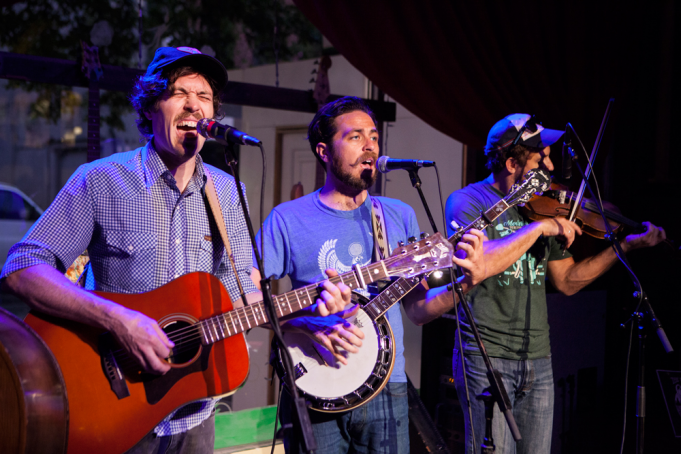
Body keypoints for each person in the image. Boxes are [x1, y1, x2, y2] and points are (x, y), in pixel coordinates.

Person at [0, 46, 349, 454]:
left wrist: (301, 315)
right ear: (150, 106)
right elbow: (23, 266)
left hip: (194, 416)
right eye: (179, 92)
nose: (193, 105)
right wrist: (119, 321)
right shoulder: (99, 181)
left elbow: (245, 295)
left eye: (203, 97)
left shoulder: (226, 192)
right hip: (113, 408)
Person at [251, 96, 487, 454]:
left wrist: (465, 283)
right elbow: (248, 298)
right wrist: (304, 324)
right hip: (317, 382)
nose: (370, 146)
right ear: (324, 151)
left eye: (374, 137)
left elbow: (418, 310)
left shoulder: (397, 214)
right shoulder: (287, 219)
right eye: (355, 136)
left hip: (385, 388)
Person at [445, 113, 666, 454]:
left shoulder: (546, 208)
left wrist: (623, 246)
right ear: (510, 163)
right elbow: (482, 262)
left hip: (539, 358)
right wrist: (537, 229)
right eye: (541, 158)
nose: (550, 164)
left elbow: (568, 281)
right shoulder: (469, 202)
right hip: (486, 357)